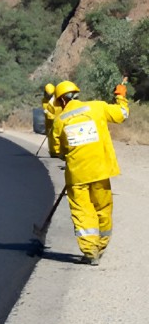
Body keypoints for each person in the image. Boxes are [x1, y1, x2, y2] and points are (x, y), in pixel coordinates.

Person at [48, 78, 129, 265]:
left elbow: (56, 151)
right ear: (77, 94)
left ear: (61, 101)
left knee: (83, 212)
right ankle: (101, 245)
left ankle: (90, 251)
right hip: (101, 170)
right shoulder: (97, 107)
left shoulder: (60, 121)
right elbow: (122, 115)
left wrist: (70, 154)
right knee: (103, 209)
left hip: (77, 175)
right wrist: (120, 95)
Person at [42, 82, 61, 152]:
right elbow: (46, 111)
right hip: (50, 122)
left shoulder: (58, 100)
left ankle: (59, 151)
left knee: (57, 136)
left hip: (58, 121)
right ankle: (53, 151)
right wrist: (51, 117)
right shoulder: (44, 101)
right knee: (50, 136)